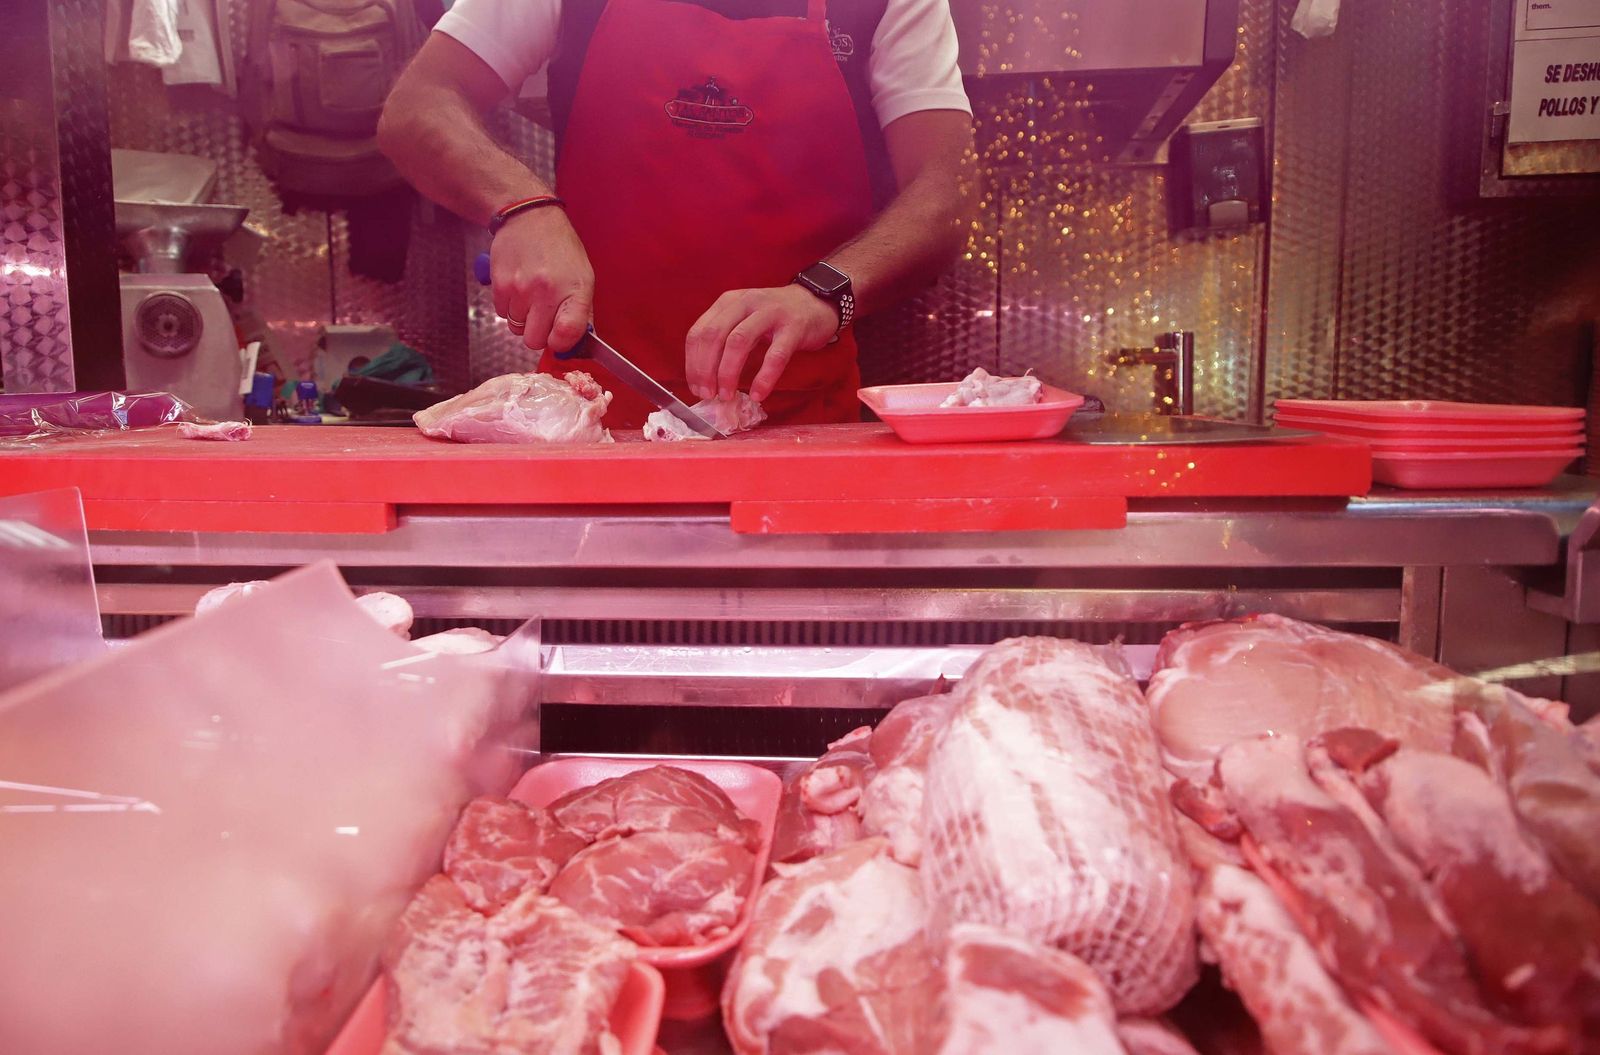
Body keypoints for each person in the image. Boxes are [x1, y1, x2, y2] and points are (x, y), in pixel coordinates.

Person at [378, 0, 974, 427]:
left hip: (802, 423)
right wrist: (521, 205)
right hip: (588, 418)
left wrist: (823, 293)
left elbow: (946, 190)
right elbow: (420, 105)